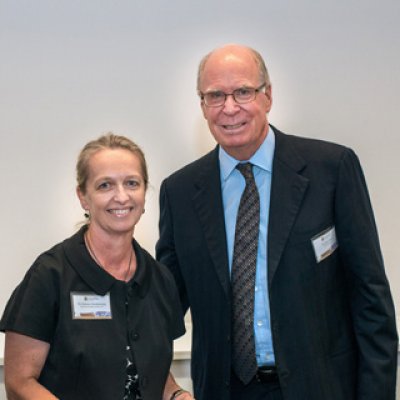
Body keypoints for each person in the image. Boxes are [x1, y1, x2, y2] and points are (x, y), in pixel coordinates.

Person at [156, 44, 398, 400]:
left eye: (242, 92)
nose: (229, 108)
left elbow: (371, 301)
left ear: (267, 95)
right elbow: (163, 308)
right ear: (202, 106)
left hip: (322, 388)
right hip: (225, 391)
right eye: (215, 96)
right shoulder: (179, 193)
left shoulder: (331, 171)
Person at [0, 133, 194, 400]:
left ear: (145, 192)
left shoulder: (160, 279)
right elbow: (19, 382)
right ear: (83, 197)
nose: (121, 196)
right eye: (105, 185)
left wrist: (177, 395)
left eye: (132, 183)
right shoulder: (50, 275)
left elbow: (152, 374)